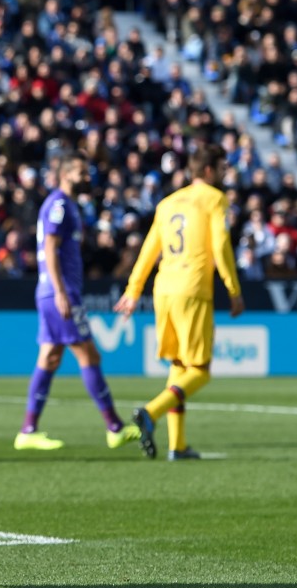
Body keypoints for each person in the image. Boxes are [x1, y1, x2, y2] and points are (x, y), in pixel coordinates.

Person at [115, 145, 244, 460]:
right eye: (222, 168)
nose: (225, 174)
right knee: (200, 370)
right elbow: (221, 245)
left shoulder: (168, 202)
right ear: (209, 170)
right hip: (193, 287)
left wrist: (133, 289)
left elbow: (149, 250)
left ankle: (178, 445)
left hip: (164, 289)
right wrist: (233, 289)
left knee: (179, 366)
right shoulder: (215, 199)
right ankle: (151, 412)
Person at [16, 155, 141, 451]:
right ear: (66, 174)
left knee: (50, 357)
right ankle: (114, 427)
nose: (88, 177)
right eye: (82, 172)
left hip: (53, 291)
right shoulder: (59, 204)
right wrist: (61, 292)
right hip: (59, 292)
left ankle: (28, 430)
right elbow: (50, 247)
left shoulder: (68, 205)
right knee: (88, 355)